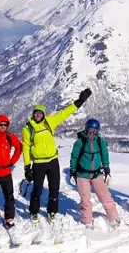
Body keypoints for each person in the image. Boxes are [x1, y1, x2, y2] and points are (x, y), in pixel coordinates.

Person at [22, 88, 92, 222]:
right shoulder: (27, 129)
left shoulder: (50, 122)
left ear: (43, 114)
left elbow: (64, 113)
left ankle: (52, 211)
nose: (38, 115)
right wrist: (27, 167)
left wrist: (79, 102)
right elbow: (25, 147)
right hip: (38, 163)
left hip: (53, 161)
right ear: (33, 114)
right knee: (37, 189)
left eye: (40, 113)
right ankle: (34, 212)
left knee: (54, 188)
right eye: (36, 113)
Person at [69, 119, 120, 228]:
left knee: (105, 197)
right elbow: (74, 157)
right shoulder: (80, 142)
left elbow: (105, 155)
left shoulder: (100, 141)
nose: (91, 132)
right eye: (90, 129)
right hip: (82, 175)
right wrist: (73, 171)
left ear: (97, 131)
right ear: (86, 128)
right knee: (85, 200)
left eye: (94, 130)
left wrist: (106, 169)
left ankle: (114, 218)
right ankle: (86, 221)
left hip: (97, 174)